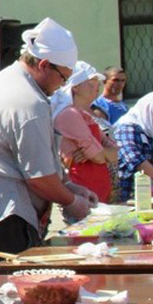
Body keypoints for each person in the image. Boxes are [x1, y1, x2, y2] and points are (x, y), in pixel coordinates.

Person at [0, 18, 97, 269]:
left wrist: (69, 186)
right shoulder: (29, 102)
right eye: (62, 78)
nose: (61, 86)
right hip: (2, 214)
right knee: (11, 292)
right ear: (43, 64)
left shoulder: (4, 81)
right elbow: (39, 178)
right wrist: (73, 202)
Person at [52, 62, 118, 204]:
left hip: (97, 193)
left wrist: (99, 151)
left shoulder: (85, 115)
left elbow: (116, 153)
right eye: (90, 83)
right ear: (75, 87)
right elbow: (99, 157)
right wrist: (101, 152)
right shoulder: (69, 114)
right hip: (82, 194)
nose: (96, 87)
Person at [113, 90, 153, 203]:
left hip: (148, 195)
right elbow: (134, 159)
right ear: (148, 110)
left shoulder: (152, 133)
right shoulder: (127, 127)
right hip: (129, 195)